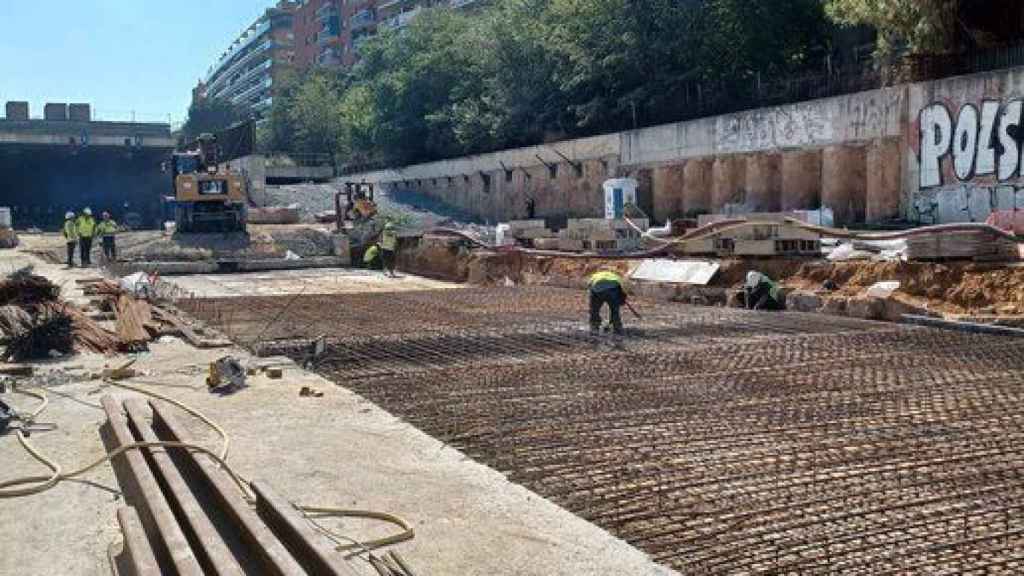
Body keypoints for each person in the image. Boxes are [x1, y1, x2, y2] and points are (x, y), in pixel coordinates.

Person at [588, 269, 627, 335]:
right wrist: (621, 299)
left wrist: (592, 301)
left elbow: (590, 286)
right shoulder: (615, 276)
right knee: (614, 310)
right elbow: (622, 289)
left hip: (598, 288)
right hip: (613, 289)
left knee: (594, 309)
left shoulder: (595, 276)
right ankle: (616, 326)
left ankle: (594, 325)